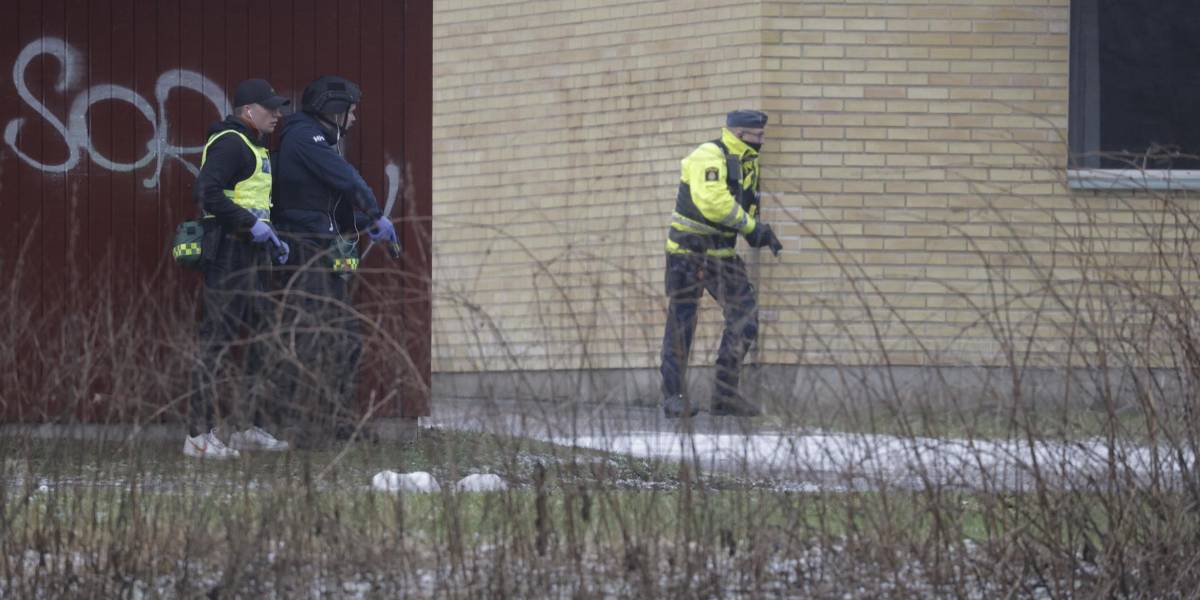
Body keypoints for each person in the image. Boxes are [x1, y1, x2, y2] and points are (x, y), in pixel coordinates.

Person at [271, 75, 397, 444]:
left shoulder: (319, 142)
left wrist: (362, 224)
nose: (354, 119)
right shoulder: (303, 137)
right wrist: (375, 213)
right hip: (304, 248)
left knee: (344, 338)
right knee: (312, 338)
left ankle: (340, 421)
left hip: (322, 246)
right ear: (334, 109)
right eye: (351, 111)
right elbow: (347, 180)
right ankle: (308, 428)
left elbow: (329, 206)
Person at [185, 78, 292, 458]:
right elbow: (206, 192)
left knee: (262, 339)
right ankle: (198, 437)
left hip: (253, 253)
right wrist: (251, 226)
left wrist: (272, 237)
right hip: (230, 252)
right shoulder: (232, 143)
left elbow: (253, 201)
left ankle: (249, 427)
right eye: (271, 108)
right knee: (216, 343)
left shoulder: (253, 146)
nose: (278, 114)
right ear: (249, 111)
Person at [660, 109, 783, 419]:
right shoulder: (709, 154)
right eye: (758, 136)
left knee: (745, 318)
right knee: (682, 324)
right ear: (740, 134)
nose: (762, 140)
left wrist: (759, 232)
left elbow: (743, 205)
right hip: (688, 253)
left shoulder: (747, 163)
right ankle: (673, 397)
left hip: (722, 255)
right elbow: (713, 202)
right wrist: (752, 228)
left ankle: (724, 396)